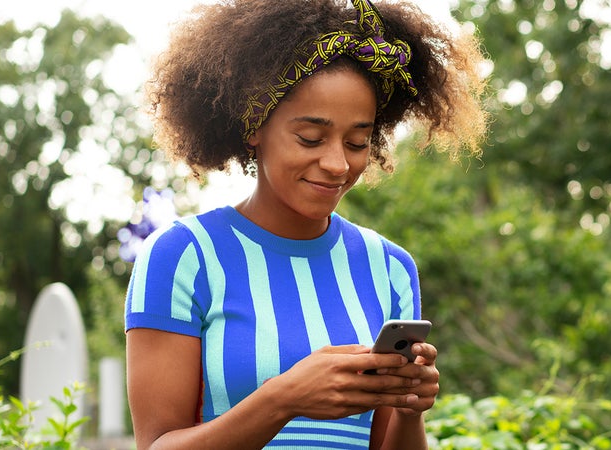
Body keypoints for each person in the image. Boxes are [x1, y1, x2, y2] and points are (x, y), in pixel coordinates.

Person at [124, 0, 488, 449]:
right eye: (310, 138)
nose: (337, 163)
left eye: (357, 141)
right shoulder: (184, 257)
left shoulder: (390, 268)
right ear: (254, 124)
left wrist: (410, 408)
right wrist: (285, 399)